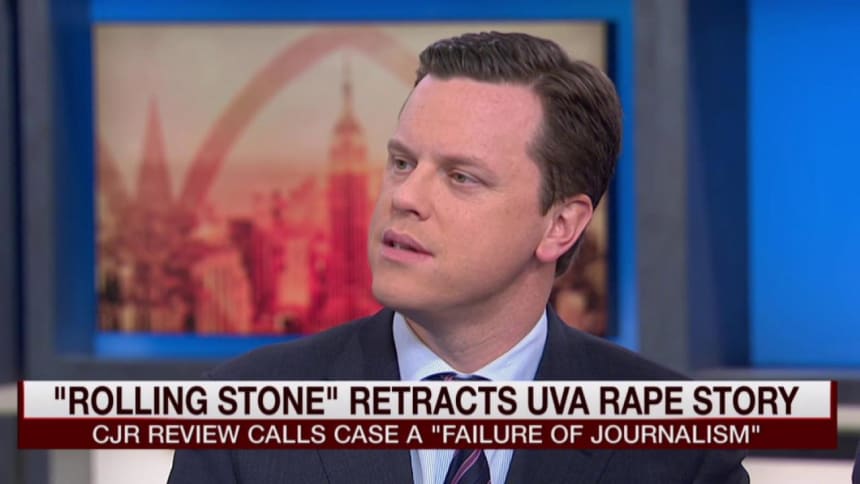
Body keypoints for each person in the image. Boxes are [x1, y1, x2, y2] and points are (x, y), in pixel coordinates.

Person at [168, 31, 748, 483]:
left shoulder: (682, 449)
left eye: (461, 177)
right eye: (402, 163)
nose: (405, 197)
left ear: (560, 225)